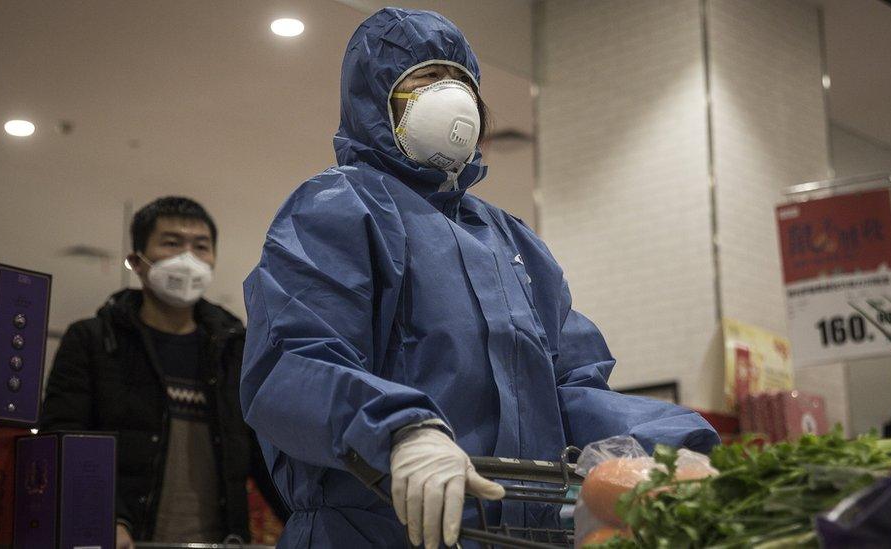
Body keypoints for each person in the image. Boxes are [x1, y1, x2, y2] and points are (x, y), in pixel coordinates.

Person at [240, 8, 719, 549]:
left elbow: (571, 387)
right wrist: (402, 431)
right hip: (368, 531)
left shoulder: (513, 242)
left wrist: (668, 446)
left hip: (519, 536)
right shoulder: (338, 208)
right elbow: (293, 362)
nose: (449, 95)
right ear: (374, 100)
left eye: (460, 80)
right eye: (422, 80)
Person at [42, 197, 287, 548]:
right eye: (171, 243)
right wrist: (106, 517)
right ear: (136, 262)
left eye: (201, 246)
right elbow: (63, 436)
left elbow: (263, 454)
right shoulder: (94, 340)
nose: (188, 258)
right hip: (126, 540)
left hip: (222, 541)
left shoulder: (236, 348)